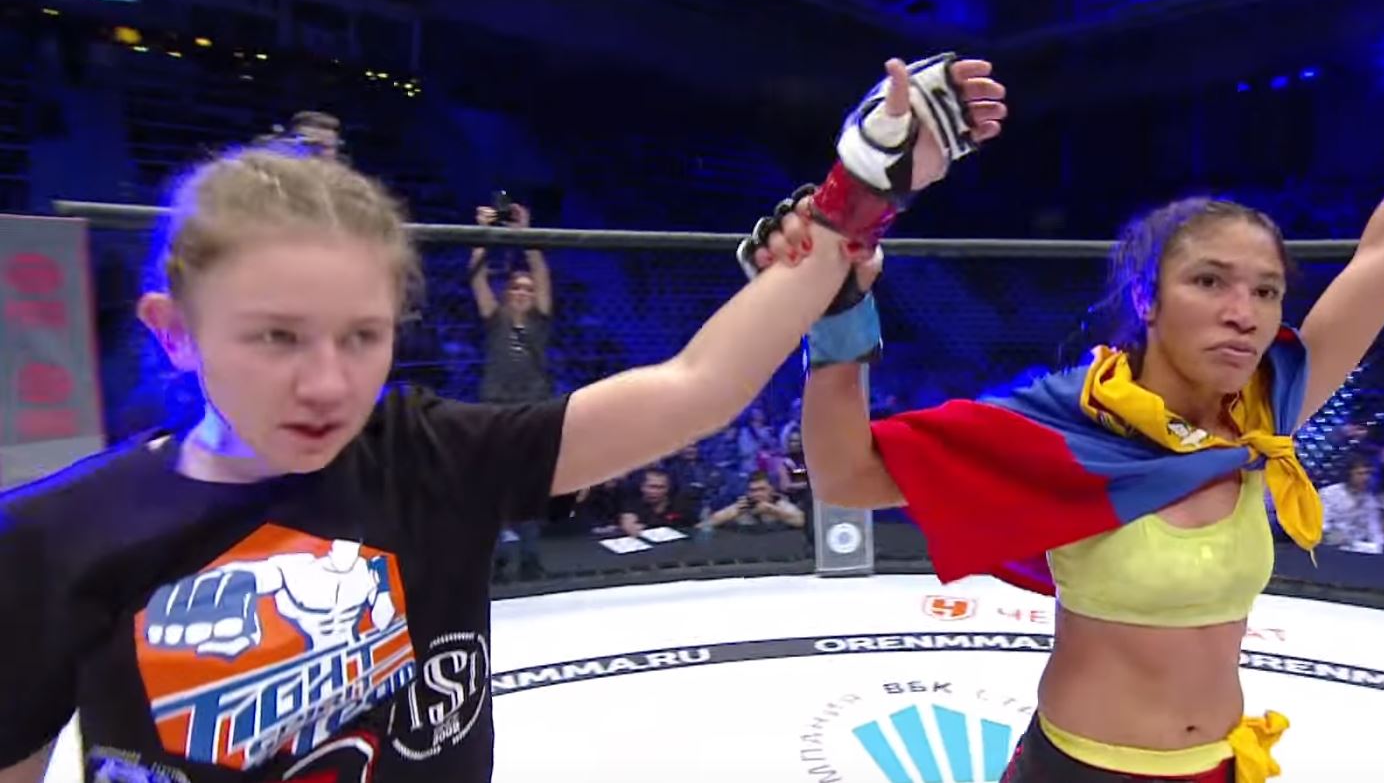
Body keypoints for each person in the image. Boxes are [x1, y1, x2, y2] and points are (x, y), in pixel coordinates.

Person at [0, 51, 1008, 782]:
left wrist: (855, 195)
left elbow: (696, 386)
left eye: (362, 336)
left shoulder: (427, 451)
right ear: (175, 331)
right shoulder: (55, 535)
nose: (326, 382)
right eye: (277, 337)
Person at [789, 0, 1384, 783]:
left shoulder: (1268, 403)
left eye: (1266, 290)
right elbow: (844, 474)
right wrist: (838, 305)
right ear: (1146, 296)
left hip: (1215, 765)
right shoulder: (1065, 428)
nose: (1244, 311)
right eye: (1209, 281)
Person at [469, 200, 555, 405]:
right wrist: (483, 233)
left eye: (528, 289)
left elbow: (541, 274)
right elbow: (477, 278)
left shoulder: (540, 317)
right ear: (507, 293)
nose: (522, 293)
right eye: (516, 287)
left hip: (534, 400)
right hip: (495, 400)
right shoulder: (496, 316)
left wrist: (524, 233)